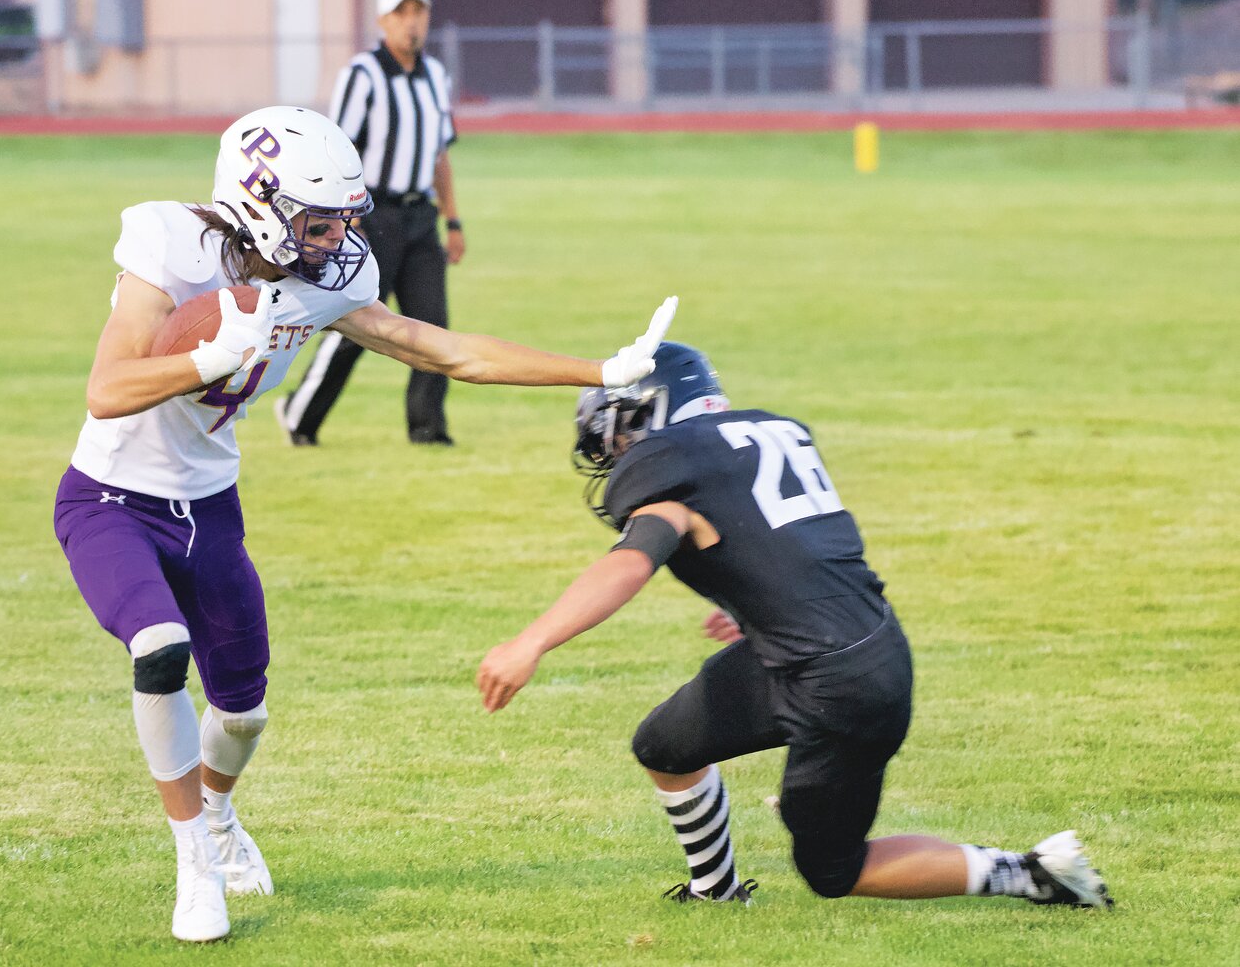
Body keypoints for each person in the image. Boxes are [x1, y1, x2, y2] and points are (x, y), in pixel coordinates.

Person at [52, 103, 678, 943]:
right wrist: (211, 355)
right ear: (260, 200)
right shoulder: (172, 244)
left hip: (211, 507)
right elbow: (106, 389)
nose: (335, 235)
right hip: (111, 499)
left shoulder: (324, 277)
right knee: (159, 649)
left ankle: (221, 815)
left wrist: (601, 368)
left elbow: (446, 352)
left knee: (243, 712)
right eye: (317, 217)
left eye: (343, 216)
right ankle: (194, 863)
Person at [475, 342, 1113, 910]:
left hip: (839, 683)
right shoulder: (766, 432)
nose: (611, 450)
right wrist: (758, 603)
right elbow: (789, 537)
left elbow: (631, 563)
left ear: (652, 412)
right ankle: (716, 890)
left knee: (835, 869)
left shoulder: (671, 470)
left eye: (615, 432)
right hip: (816, 647)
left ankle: (1033, 873)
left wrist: (531, 641)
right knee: (665, 747)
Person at [275, 0, 464, 447]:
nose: (411, 22)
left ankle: (427, 429)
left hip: (420, 216)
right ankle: (301, 415)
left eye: (418, 11)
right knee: (355, 323)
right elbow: (337, 149)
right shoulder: (364, 74)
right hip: (371, 216)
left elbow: (441, 154)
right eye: (400, 13)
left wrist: (453, 219)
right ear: (383, 21)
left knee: (431, 323)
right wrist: (346, 219)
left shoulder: (435, 76)